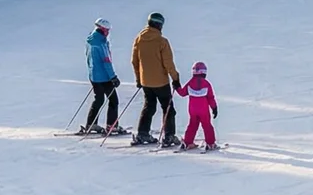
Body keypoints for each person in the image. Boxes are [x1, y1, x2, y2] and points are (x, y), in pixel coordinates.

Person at [131, 11, 184, 147]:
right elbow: (168, 63)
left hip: (145, 82)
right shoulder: (162, 41)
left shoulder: (139, 39)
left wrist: (138, 79)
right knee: (168, 109)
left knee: (149, 107)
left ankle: (142, 133)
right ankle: (169, 136)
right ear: (159, 25)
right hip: (161, 82)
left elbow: (134, 61)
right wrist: (175, 79)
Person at [82, 17, 122, 134]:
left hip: (93, 76)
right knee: (113, 100)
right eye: (107, 30)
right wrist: (113, 77)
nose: (108, 32)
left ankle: (91, 124)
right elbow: (106, 61)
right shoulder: (100, 43)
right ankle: (112, 125)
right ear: (102, 29)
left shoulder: (90, 40)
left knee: (98, 99)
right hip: (104, 77)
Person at [177, 61, 221, 151]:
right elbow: (210, 98)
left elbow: (182, 93)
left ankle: (187, 142)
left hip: (192, 110)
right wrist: (214, 108)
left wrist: (177, 86)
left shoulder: (190, 83)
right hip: (203, 110)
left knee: (192, 125)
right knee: (207, 125)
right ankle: (210, 143)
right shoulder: (206, 84)